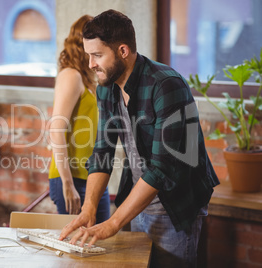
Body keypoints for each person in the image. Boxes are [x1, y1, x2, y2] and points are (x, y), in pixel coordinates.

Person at [59, 9, 219, 267]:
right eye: (89, 55)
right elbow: (102, 151)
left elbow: (162, 168)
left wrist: (112, 223)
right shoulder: (106, 89)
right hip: (136, 202)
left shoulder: (167, 85)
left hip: (175, 207)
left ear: (123, 51)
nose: (90, 64)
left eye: (97, 55)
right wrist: (88, 209)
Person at [48, 15, 110, 223]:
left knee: (99, 245)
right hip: (73, 178)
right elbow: (56, 129)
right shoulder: (71, 75)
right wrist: (67, 183)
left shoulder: (87, 78)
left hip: (92, 176)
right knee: (77, 250)